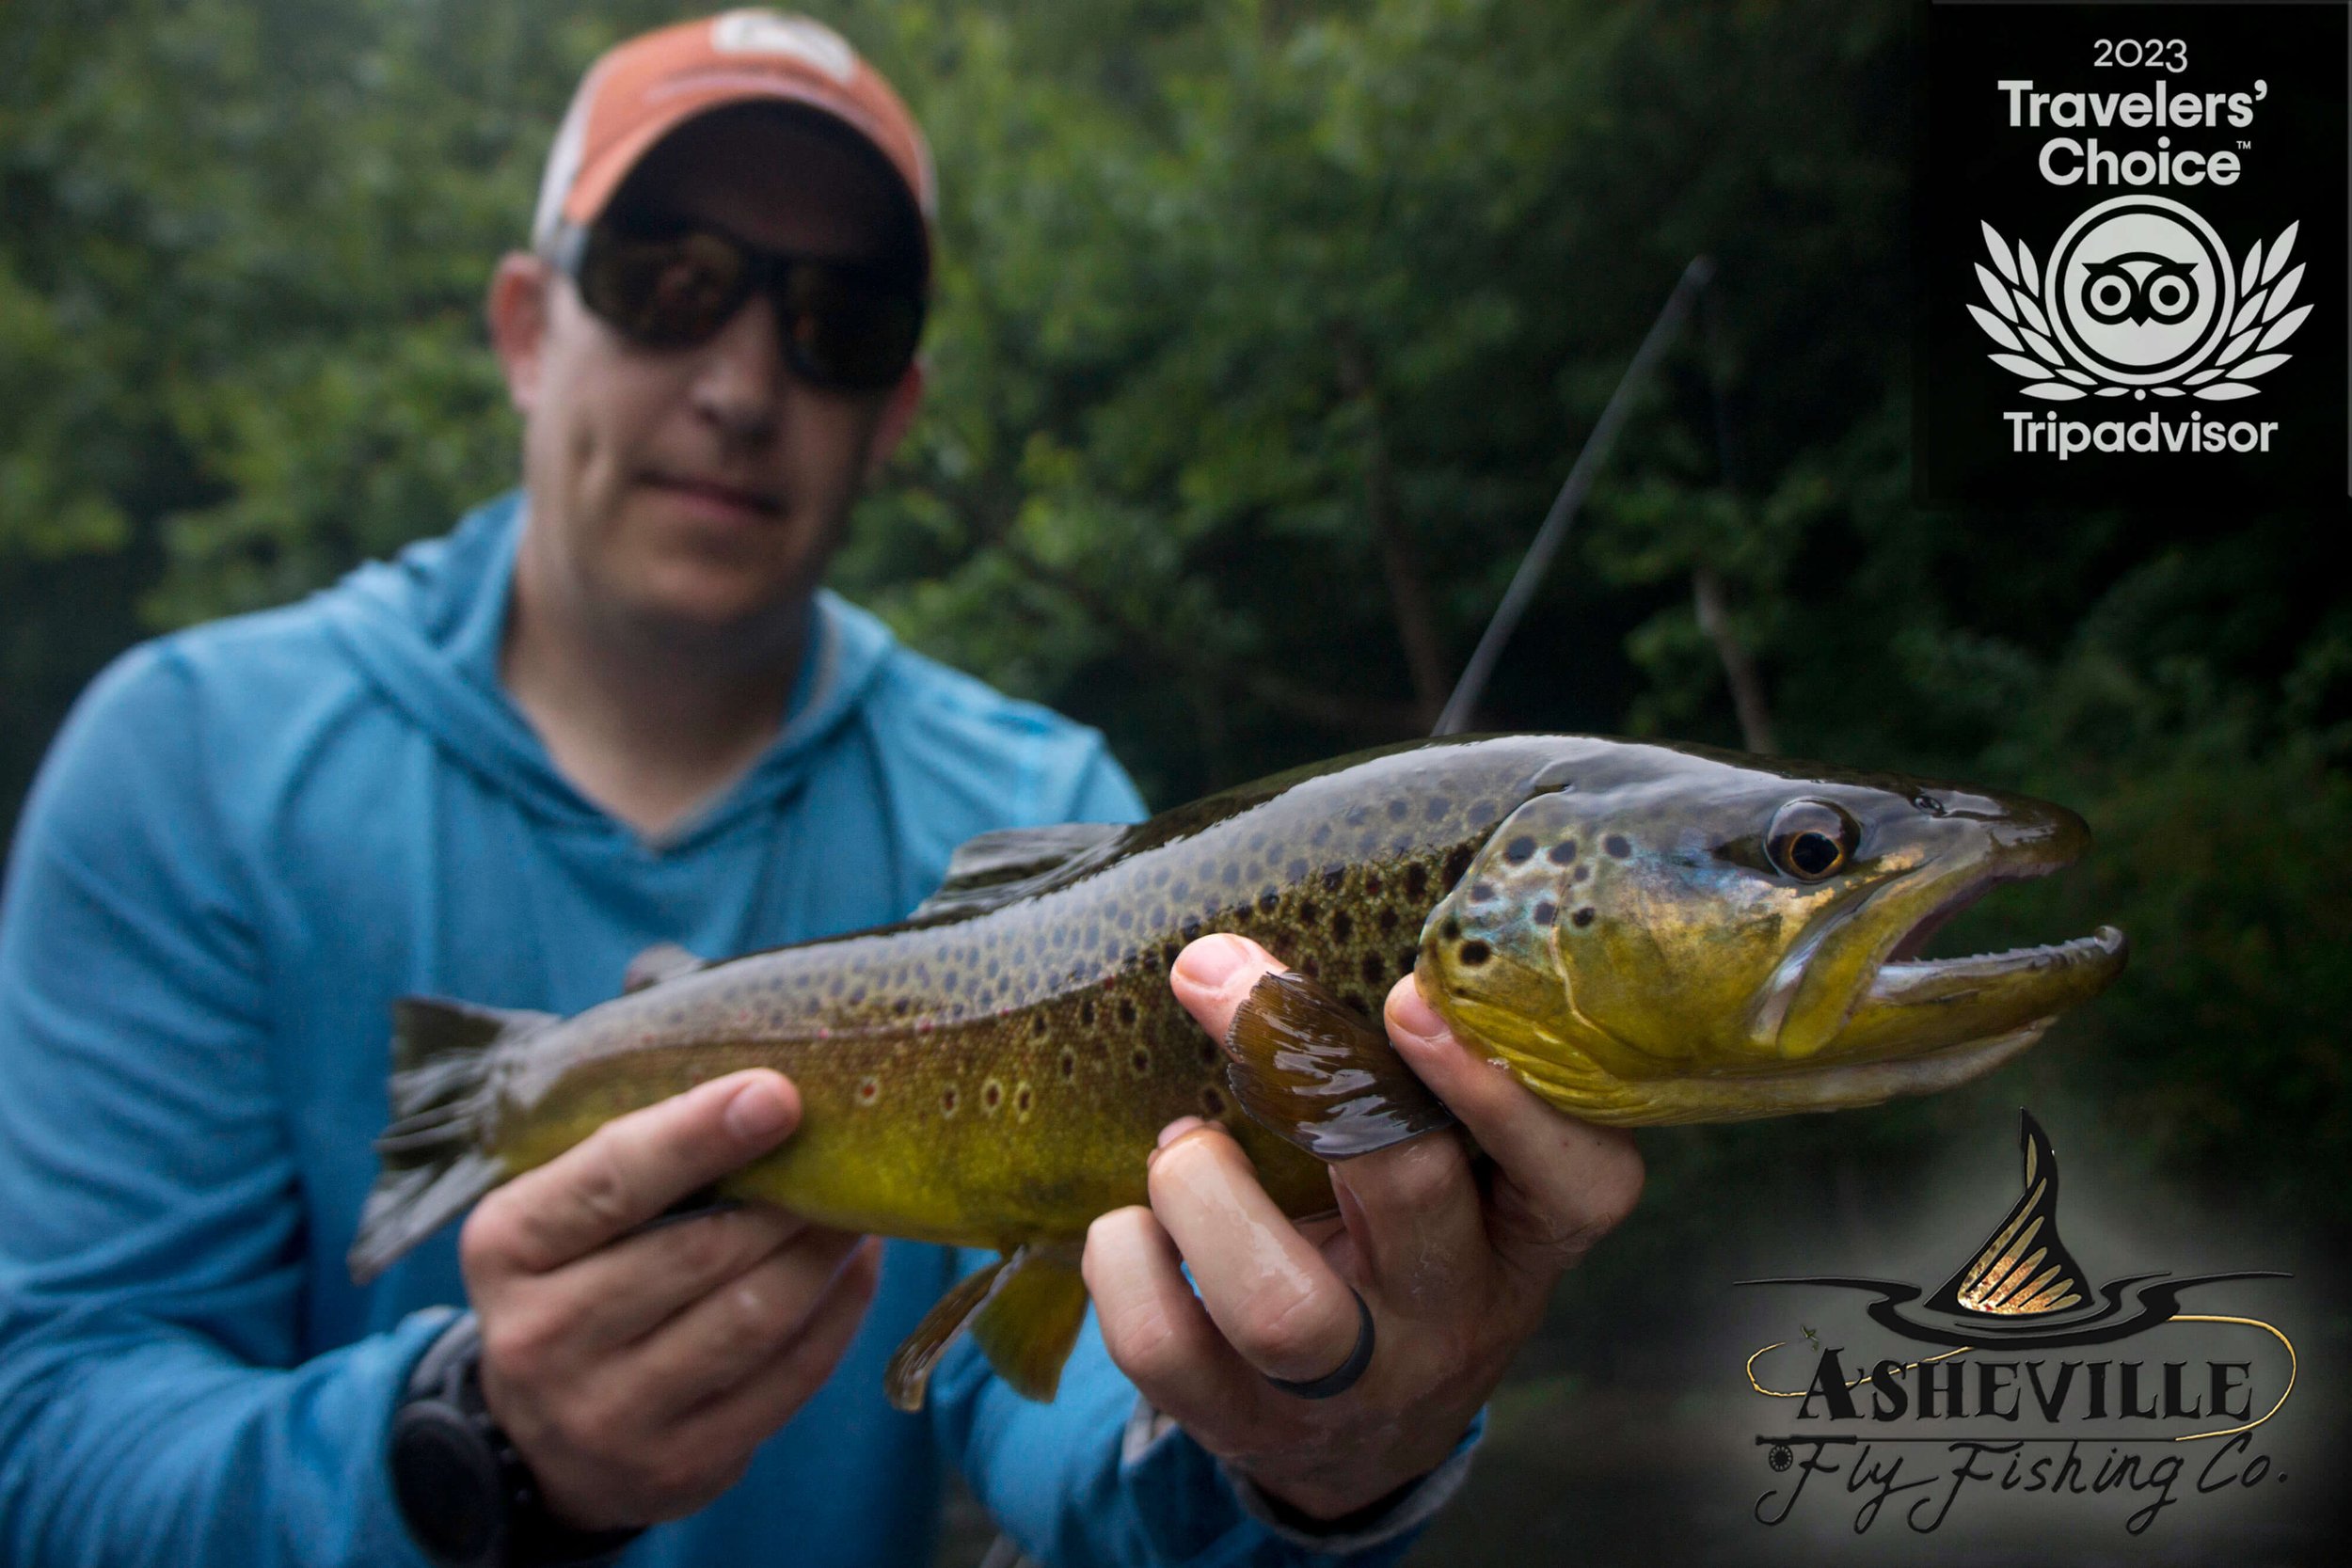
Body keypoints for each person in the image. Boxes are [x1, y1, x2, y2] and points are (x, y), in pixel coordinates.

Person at [0, 12, 1644, 1567]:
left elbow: (1095, 1436)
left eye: (834, 323)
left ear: (894, 413)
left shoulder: (1056, 813)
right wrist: (463, 1449)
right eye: (668, 283)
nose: (740, 379)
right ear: (522, 326)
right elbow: (48, 1443)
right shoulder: (191, 763)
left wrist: (1322, 1448)